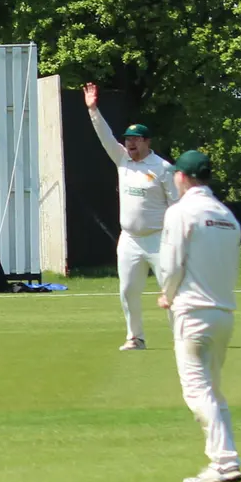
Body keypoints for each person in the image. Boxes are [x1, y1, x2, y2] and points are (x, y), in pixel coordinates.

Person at [156, 150, 241, 482]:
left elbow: (172, 262)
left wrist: (168, 292)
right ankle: (226, 461)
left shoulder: (181, 212)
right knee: (214, 392)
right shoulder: (226, 214)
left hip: (192, 311)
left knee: (197, 391)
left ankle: (224, 462)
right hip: (224, 312)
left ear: (182, 176)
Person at [84, 82, 178, 351]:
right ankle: (135, 337)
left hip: (159, 239)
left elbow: (177, 204)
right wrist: (93, 110)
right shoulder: (122, 159)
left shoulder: (163, 168)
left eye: (136, 139)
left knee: (171, 291)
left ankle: (181, 338)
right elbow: (104, 136)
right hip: (130, 239)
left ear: (147, 142)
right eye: (128, 139)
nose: (130, 143)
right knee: (128, 291)